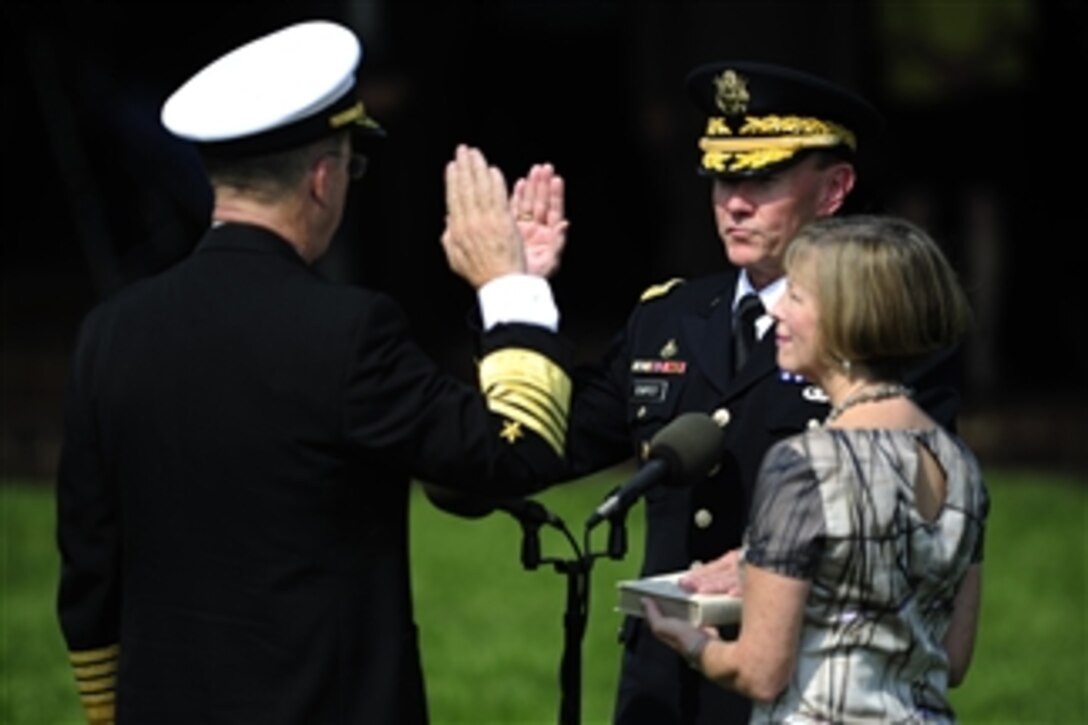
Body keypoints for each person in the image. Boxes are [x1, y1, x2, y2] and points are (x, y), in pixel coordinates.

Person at [55, 20, 573, 725]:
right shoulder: (351, 333)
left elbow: (89, 571)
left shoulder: (108, 333)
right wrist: (511, 285)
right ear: (324, 178)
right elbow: (513, 450)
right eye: (352, 167)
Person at [482, 61, 963, 723]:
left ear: (834, 188)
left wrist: (768, 566)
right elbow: (541, 449)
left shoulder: (894, 339)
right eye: (721, 177)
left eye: (761, 179)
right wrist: (522, 296)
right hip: (664, 687)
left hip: (808, 683)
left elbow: (919, 518)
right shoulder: (668, 318)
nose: (734, 202)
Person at [643, 214, 988, 723]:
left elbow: (759, 671)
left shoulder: (807, 464)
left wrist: (693, 642)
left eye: (798, 297)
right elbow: (952, 659)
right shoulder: (960, 464)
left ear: (850, 319)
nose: (777, 310)